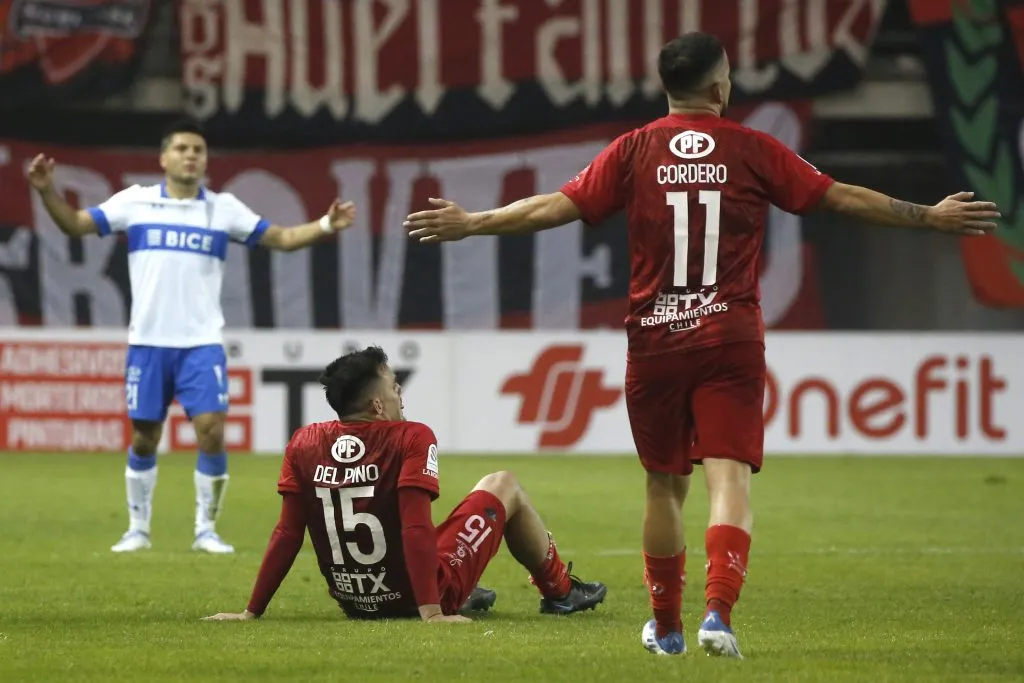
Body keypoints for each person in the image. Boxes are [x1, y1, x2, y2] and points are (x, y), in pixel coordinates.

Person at [403, 32, 1000, 656]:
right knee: (729, 478)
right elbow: (839, 197)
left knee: (663, 486)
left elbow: (554, 206)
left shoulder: (634, 149)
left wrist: (472, 223)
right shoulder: (751, 148)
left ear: (667, 87)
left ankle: (667, 629)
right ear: (719, 86)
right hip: (729, 337)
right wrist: (927, 215)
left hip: (655, 340)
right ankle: (717, 615)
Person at [26, 118, 357, 555]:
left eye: (198, 150)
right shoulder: (137, 202)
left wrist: (327, 224)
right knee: (144, 437)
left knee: (211, 432)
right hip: (148, 343)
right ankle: (137, 529)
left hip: (201, 344)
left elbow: (281, 237)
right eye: (182, 148)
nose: (190, 156)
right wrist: (47, 190)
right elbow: (74, 224)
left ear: (205, 161)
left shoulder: (223, 209)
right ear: (164, 158)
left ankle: (206, 530)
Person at [202, 346, 607, 623]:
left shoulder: (304, 441)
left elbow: (288, 533)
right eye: (395, 387)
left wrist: (251, 611)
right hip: (418, 597)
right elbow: (414, 527)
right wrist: (432, 611)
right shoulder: (412, 436)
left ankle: (464, 592)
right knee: (503, 484)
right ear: (378, 404)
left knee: (435, 530)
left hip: (356, 601)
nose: (400, 395)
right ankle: (560, 592)